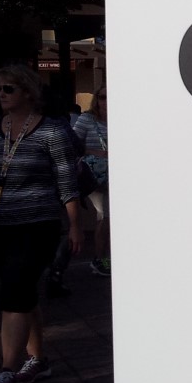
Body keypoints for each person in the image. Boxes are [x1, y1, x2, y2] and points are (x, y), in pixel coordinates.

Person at [0, 65, 81, 383]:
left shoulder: (52, 131)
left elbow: (67, 181)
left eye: (9, 88)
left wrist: (74, 225)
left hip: (37, 225)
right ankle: (38, 360)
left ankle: (6, 370)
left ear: (28, 92)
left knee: (14, 292)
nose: (1, 94)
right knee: (22, 293)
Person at [74, 84, 110, 276]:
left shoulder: (124, 118)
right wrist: (96, 152)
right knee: (105, 216)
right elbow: (72, 144)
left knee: (109, 218)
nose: (106, 102)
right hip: (96, 177)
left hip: (116, 176)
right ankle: (100, 259)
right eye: (102, 97)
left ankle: (107, 259)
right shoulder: (87, 119)